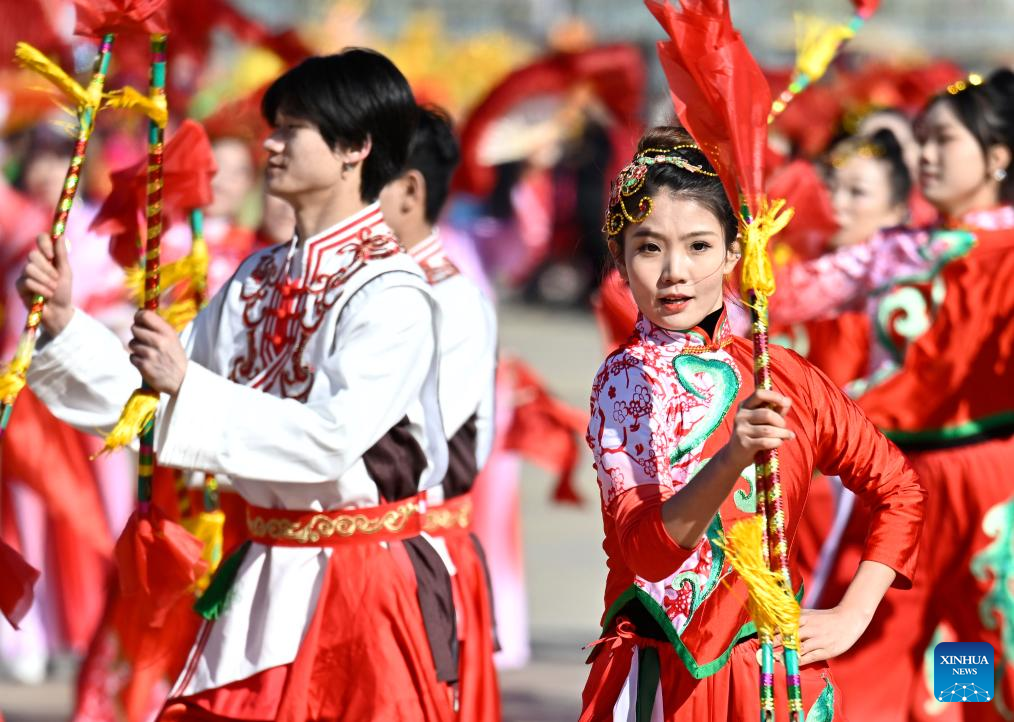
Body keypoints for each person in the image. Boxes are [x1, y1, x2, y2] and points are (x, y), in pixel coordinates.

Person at [17, 49, 459, 722]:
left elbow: (328, 440)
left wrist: (187, 384)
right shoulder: (257, 276)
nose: (271, 145)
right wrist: (65, 326)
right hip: (262, 572)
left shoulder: (390, 291)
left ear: (355, 148)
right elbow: (153, 403)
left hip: (358, 586)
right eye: (273, 127)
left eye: (292, 129)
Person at [579, 126, 925, 721]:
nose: (674, 273)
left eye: (698, 246)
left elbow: (898, 488)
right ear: (621, 257)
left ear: (734, 253)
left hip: (778, 680)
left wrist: (852, 613)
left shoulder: (785, 376)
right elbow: (651, 553)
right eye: (649, 247)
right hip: (665, 683)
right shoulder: (625, 382)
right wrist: (732, 457)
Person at [770, 69, 1014, 722]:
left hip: (990, 483)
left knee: (977, 647)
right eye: (922, 141)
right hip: (893, 486)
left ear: (998, 157)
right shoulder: (893, 251)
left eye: (942, 141)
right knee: (863, 654)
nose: (924, 156)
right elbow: (783, 297)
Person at [380, 104, 500, 721]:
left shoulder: (445, 299)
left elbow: (408, 452)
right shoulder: (379, 284)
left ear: (409, 190)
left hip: (416, 556)